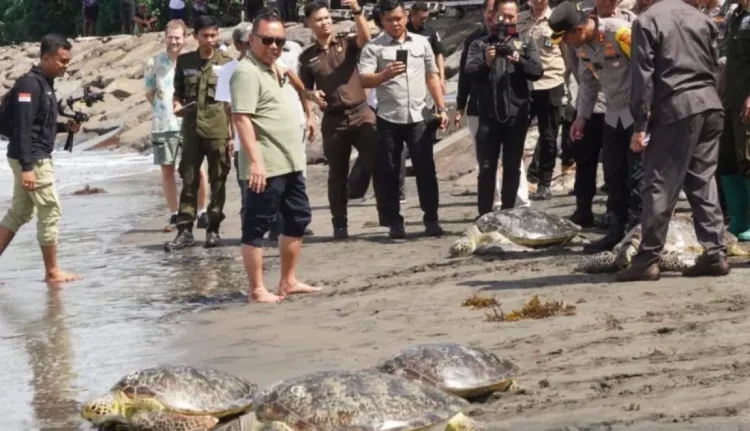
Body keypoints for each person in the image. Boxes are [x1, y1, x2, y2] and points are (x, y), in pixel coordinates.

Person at [617, 0, 729, 280]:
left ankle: (647, 258)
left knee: (659, 183)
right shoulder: (700, 18)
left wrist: (640, 124)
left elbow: (642, 77)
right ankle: (715, 252)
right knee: (703, 179)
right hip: (709, 102)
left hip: (677, 107)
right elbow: (715, 65)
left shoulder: (646, 21)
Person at [231, 11, 321, 303]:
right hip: (265, 165)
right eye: (267, 40)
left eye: (280, 41)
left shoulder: (276, 64)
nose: (274, 46)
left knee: (297, 218)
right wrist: (255, 162)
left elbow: (293, 76)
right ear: (252, 39)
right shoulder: (246, 72)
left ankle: (288, 280)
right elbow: (241, 118)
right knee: (256, 225)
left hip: (291, 160)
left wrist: (308, 96)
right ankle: (257, 289)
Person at [550, 1, 644, 253]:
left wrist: (647, 114)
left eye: (567, 37)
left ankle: (639, 233)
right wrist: (582, 117)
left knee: (638, 175)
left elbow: (647, 70)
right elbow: (589, 82)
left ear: (579, 29)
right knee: (613, 172)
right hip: (614, 113)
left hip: (637, 112)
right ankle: (616, 230)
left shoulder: (621, 32)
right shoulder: (584, 47)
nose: (567, 44)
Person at [359, 0, 449, 239]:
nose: (395, 24)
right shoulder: (373, 47)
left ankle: (431, 219)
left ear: (406, 16)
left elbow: (432, 75)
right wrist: (384, 75)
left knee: (426, 170)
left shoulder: (421, 43)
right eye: (389, 20)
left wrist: (441, 108)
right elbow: (364, 80)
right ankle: (395, 223)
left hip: (419, 116)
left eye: (398, 18)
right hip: (389, 117)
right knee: (389, 172)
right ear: (382, 21)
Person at [0, 34, 83, 285]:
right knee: (50, 210)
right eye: (61, 60)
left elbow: (39, 124)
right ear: (45, 57)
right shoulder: (30, 85)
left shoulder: (45, 83)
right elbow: (23, 127)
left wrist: (64, 127)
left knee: (20, 212)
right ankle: (52, 272)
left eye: (68, 61)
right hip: (33, 159)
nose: (65, 65)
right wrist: (27, 168)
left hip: (30, 155)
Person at [298, 0, 379, 239]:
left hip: (362, 113)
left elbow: (366, 37)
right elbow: (304, 89)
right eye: (318, 20)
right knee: (336, 176)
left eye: (326, 18)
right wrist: (310, 103)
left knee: (380, 163)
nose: (324, 23)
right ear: (309, 24)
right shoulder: (307, 58)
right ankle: (339, 225)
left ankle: (391, 218)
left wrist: (357, 11)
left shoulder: (346, 41)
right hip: (333, 121)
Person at [465, 0, 543, 216]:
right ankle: (483, 215)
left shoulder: (525, 41)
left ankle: (509, 213)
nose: (506, 20)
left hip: (517, 115)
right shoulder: (479, 43)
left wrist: (517, 59)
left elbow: (537, 71)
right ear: (493, 16)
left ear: (518, 17)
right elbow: (470, 73)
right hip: (488, 116)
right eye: (502, 16)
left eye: (511, 16)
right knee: (487, 168)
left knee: (512, 167)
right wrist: (486, 63)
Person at [166, 15, 233, 251]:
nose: (210, 40)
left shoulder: (227, 63)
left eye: (214, 35)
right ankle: (185, 231)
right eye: (205, 35)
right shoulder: (185, 62)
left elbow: (231, 103)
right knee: (189, 179)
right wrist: (176, 105)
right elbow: (178, 92)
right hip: (192, 130)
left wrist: (232, 136)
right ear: (195, 36)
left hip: (218, 130)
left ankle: (213, 229)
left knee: (218, 180)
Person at [144, 19, 209, 232]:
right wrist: (163, 108)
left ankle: (202, 211)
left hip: (190, 123)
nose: (173, 41)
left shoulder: (191, 61)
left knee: (198, 168)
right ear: (165, 37)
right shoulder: (154, 62)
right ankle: (174, 213)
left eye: (177, 37)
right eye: (170, 37)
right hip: (164, 124)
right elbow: (149, 92)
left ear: (185, 38)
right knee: (167, 170)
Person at [519, 0, 567, 201]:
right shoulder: (520, 20)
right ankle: (518, 183)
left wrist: (565, 82)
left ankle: (544, 183)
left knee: (548, 137)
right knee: (516, 135)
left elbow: (567, 53)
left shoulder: (557, 21)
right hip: (524, 85)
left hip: (551, 83)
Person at [717, 0, 750, 241]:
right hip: (729, 99)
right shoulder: (735, 15)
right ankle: (738, 221)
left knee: (748, 159)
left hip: (746, 102)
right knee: (727, 160)